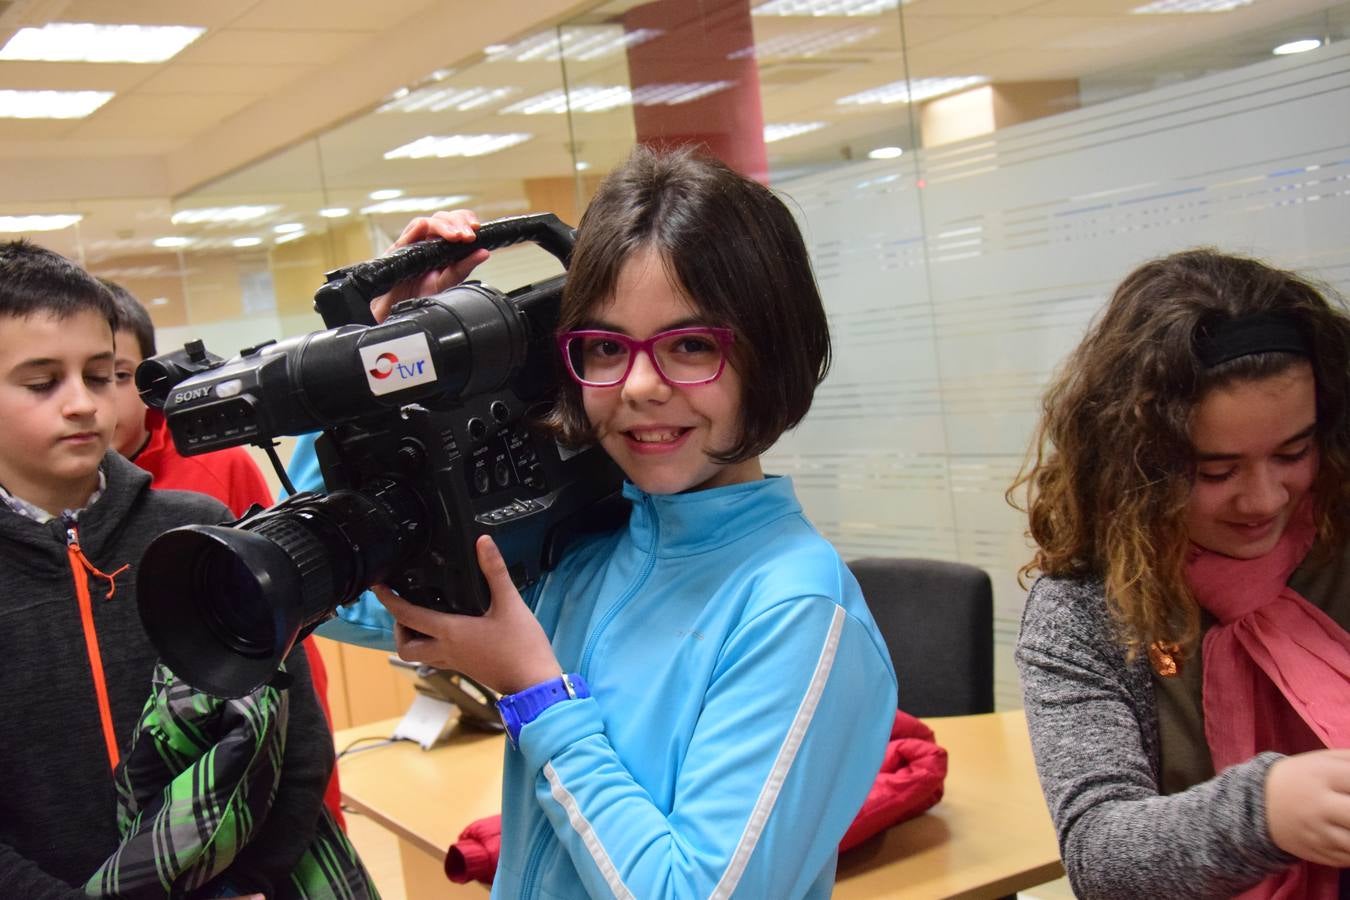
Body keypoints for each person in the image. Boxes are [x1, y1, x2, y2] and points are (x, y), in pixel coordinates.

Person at [297, 147, 898, 898]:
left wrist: (538, 694)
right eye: (607, 348)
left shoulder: (798, 610)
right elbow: (354, 594)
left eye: (691, 346)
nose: (641, 386)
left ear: (772, 354)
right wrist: (371, 365)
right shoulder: (582, 545)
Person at [0, 240, 342, 897]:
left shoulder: (198, 527)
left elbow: (294, 734)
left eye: (102, 376)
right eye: (43, 382)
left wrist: (251, 880)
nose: (82, 403)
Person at [1010, 249, 1350, 898]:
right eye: (1215, 472)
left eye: (1293, 452)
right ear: (1140, 465)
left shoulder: (1340, 535)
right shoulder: (1085, 613)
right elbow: (1100, 855)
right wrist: (1265, 812)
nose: (1264, 499)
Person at [103, 278, 348, 829]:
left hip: (239, 751)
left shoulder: (220, 468)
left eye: (117, 376)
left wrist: (316, 800)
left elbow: (292, 629)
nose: (95, 400)